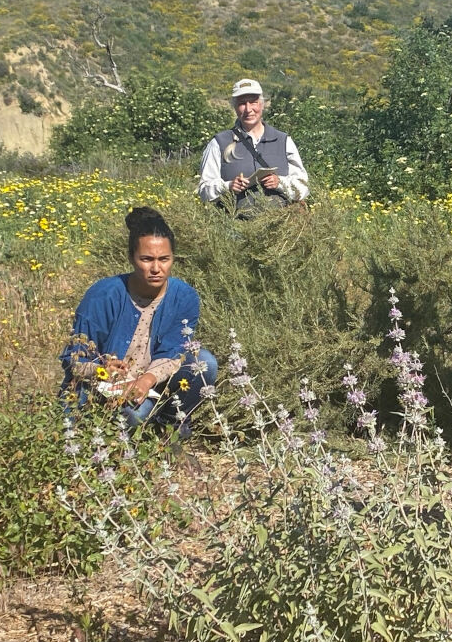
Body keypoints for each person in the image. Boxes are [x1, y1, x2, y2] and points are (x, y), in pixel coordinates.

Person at [61, 207, 218, 437]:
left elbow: (174, 352)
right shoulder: (103, 295)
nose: (156, 268)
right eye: (147, 259)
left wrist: (146, 380)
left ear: (173, 258)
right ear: (131, 259)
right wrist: (101, 369)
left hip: (151, 381)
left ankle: (171, 428)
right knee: (134, 415)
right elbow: (73, 359)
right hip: (106, 388)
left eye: (164, 259)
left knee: (204, 363)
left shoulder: (184, 297)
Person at [197, 78, 309, 216]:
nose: (248, 109)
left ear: (262, 104)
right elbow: (203, 190)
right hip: (233, 230)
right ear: (235, 107)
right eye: (242, 104)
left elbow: (303, 187)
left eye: (253, 102)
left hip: (280, 230)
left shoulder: (284, 141)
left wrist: (280, 183)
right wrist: (228, 186)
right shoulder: (219, 143)